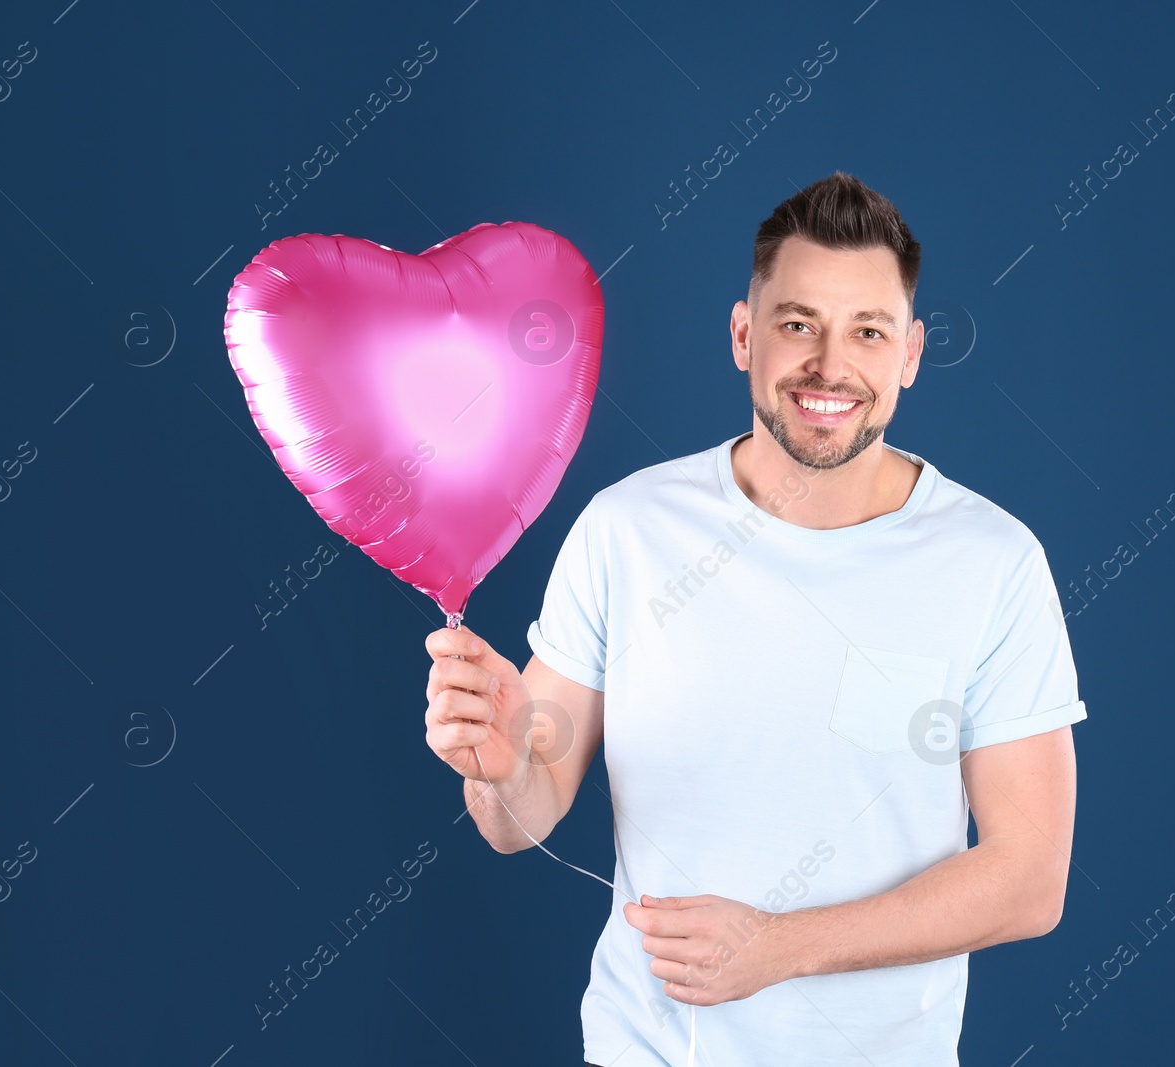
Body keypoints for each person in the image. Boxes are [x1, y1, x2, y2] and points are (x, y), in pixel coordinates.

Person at [424, 171, 1087, 1066]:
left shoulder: (993, 562)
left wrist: (781, 946)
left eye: (867, 331)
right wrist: (499, 766)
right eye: (797, 323)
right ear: (744, 334)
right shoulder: (628, 529)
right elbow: (517, 819)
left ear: (911, 354)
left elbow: (1030, 879)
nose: (830, 365)